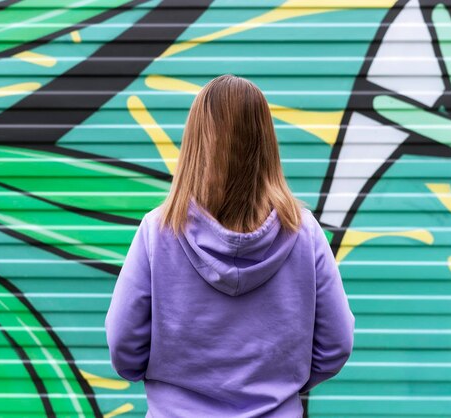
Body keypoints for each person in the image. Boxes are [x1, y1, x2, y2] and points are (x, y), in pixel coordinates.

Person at [105, 74, 355, 417]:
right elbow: (336, 344)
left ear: (194, 143)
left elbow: (123, 346)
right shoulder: (303, 232)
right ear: (265, 142)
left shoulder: (159, 231)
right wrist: (278, 390)